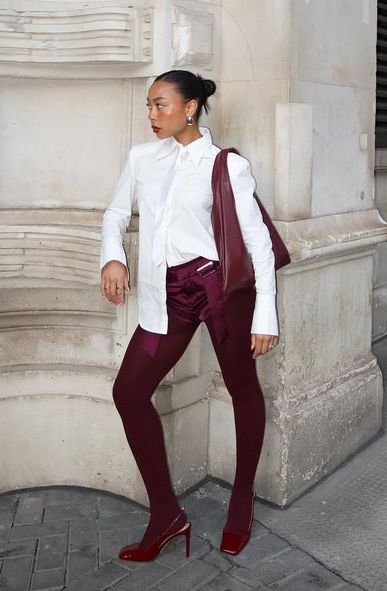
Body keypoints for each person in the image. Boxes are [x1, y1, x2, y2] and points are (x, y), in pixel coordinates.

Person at [100, 70, 279, 562]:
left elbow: (258, 242)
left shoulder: (225, 165)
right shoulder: (142, 159)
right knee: (129, 392)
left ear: (191, 107)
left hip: (220, 291)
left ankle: (241, 499)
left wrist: (266, 315)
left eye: (161, 105)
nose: (152, 115)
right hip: (168, 296)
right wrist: (112, 256)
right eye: (149, 106)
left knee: (242, 387)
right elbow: (115, 214)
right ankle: (166, 515)